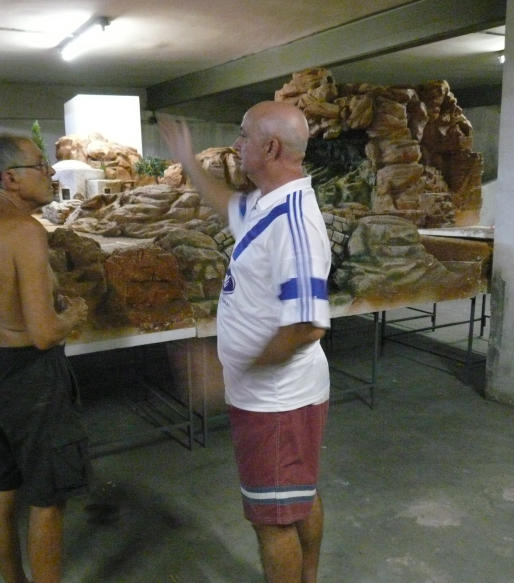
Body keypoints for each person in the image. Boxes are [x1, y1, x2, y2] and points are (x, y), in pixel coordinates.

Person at [159, 101, 331, 583]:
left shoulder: (294, 224)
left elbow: (307, 326)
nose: (236, 145)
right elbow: (227, 206)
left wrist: (229, 373)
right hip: (271, 399)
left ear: (270, 147)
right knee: (295, 497)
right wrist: (189, 162)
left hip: (276, 404)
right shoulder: (266, 203)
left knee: (273, 521)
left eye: (243, 136)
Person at [0, 134, 90, 583]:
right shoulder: (24, 231)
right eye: (40, 165)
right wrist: (74, 316)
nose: (50, 172)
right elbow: (43, 333)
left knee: (1, 488)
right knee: (47, 498)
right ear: (10, 178)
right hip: (30, 375)